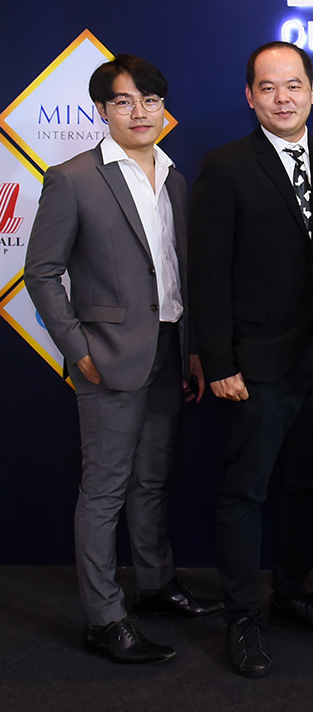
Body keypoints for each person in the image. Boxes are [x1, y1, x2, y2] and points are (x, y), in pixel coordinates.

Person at [24, 55, 222, 664]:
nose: (140, 112)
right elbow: (41, 272)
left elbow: (177, 275)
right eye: (124, 101)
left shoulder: (175, 177)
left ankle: (155, 587)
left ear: (164, 108)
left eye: (150, 100)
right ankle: (104, 618)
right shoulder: (73, 178)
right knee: (104, 489)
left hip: (169, 350)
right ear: (102, 110)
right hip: (107, 357)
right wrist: (77, 348)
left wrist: (193, 350)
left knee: (152, 479)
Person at [189, 41, 313, 677]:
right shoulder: (225, 166)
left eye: (293, 86)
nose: (282, 98)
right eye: (268, 87)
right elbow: (208, 272)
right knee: (246, 491)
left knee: (305, 484)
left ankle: (290, 593)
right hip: (255, 363)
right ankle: (241, 616)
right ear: (250, 96)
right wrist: (218, 360)